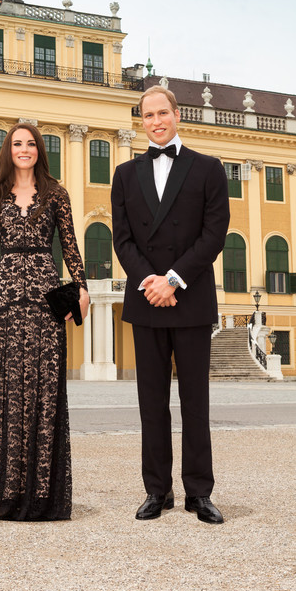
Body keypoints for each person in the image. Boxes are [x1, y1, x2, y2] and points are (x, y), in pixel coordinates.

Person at [111, 85, 230, 524]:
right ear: (141, 121)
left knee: (195, 401)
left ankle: (199, 492)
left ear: (177, 115)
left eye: (162, 113)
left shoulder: (208, 168)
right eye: (148, 115)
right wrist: (150, 281)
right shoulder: (125, 174)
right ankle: (156, 490)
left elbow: (214, 234)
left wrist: (174, 279)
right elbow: (122, 238)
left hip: (190, 296)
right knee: (151, 401)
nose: (156, 122)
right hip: (147, 299)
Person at [0, 123, 89, 521]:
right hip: (6, 297)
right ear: (7, 150)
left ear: (39, 150)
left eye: (31, 143)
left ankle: (42, 495)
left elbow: (69, 244)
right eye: (17, 143)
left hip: (45, 294)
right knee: (6, 390)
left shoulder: (56, 194)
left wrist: (82, 288)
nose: (24, 149)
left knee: (44, 389)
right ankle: (2, 490)